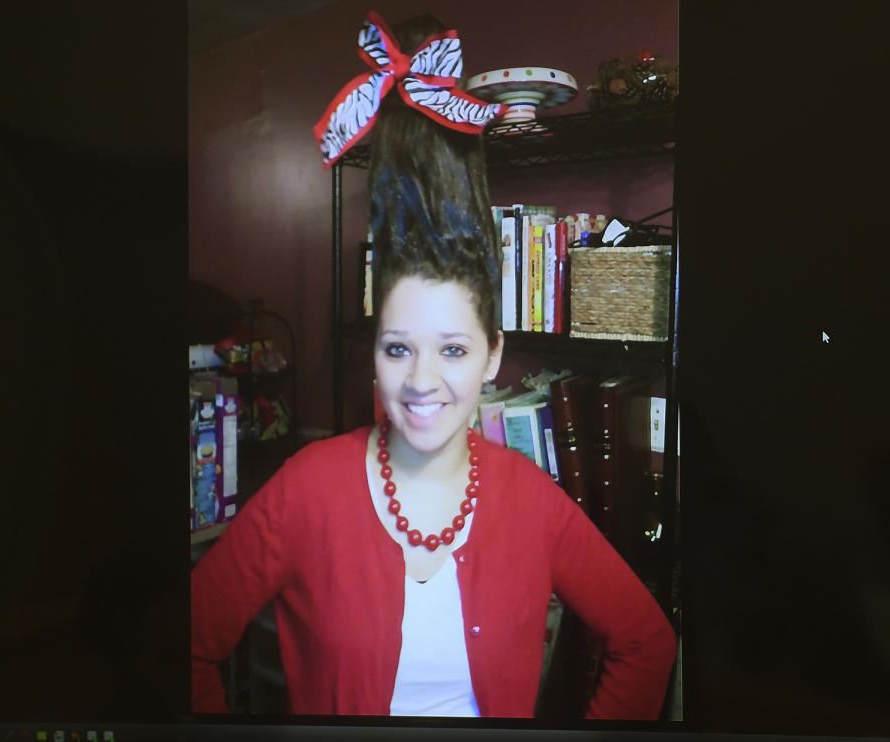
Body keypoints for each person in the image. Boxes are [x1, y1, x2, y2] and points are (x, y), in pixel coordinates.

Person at [191, 11, 676, 718]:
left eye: (452, 348)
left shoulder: (531, 499)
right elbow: (188, 645)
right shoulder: (306, 491)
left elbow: (647, 641)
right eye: (398, 348)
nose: (421, 380)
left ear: (493, 357)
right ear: (374, 350)